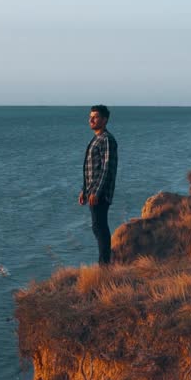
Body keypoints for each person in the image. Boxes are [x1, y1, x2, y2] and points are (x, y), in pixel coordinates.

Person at [78, 104, 118, 265]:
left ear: (104, 120)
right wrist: (84, 190)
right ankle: (104, 263)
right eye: (90, 117)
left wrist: (96, 192)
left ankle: (104, 265)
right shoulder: (97, 139)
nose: (91, 119)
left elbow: (106, 168)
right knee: (97, 226)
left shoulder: (107, 139)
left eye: (95, 117)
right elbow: (91, 169)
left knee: (100, 227)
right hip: (93, 191)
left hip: (101, 192)